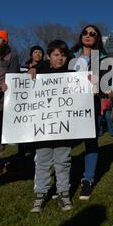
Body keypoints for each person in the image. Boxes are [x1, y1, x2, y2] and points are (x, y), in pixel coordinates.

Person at [28, 40, 74, 212]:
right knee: (42, 162)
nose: (60, 58)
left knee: (63, 162)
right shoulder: (37, 74)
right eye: (56, 55)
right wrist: (34, 69)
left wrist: (89, 83)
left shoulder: (72, 75)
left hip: (63, 129)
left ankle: (63, 193)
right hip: (42, 131)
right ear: (48, 56)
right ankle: (40, 195)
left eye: (63, 55)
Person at [70, 25, 107, 200]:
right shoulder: (69, 55)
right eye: (85, 32)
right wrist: (34, 68)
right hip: (67, 105)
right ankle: (64, 180)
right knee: (65, 142)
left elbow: (110, 85)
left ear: (97, 38)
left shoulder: (104, 59)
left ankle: (87, 180)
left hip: (92, 104)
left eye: (93, 33)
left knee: (91, 142)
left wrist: (99, 86)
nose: (88, 35)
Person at [0, 30, 20, 173]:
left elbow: (13, 78)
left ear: (5, 41)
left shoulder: (12, 56)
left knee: (0, 129)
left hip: (3, 97)